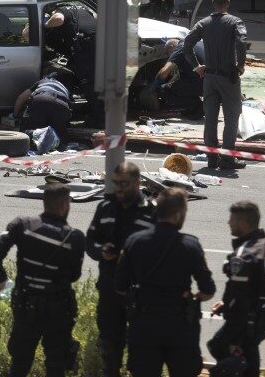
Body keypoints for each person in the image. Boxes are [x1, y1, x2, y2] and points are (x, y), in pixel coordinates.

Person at [0, 182, 86, 377]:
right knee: (56, 365)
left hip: (26, 307)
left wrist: (2, 281)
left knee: (20, 364)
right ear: (65, 205)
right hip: (58, 310)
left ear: (44, 203)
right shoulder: (74, 237)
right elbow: (74, 276)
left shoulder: (22, 224)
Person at [115, 187, 216, 377]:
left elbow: (120, 287)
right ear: (178, 213)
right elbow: (208, 290)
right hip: (179, 325)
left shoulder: (134, 242)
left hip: (144, 324)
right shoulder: (190, 245)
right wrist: (193, 298)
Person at [86, 162, 156, 377]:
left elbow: (160, 247)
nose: (119, 188)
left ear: (137, 183)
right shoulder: (105, 208)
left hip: (138, 290)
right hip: (109, 287)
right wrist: (101, 251)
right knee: (109, 347)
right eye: (115, 183)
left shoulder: (151, 211)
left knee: (141, 350)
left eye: (124, 183)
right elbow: (90, 241)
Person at [208, 201, 265, 377]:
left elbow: (240, 300)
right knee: (248, 353)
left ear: (242, 224)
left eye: (231, 219)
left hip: (247, 322)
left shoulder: (244, 255)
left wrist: (234, 340)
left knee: (220, 347)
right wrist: (226, 302)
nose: (228, 223)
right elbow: (260, 285)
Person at [184, 0, 248, 170]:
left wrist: (197, 66)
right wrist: (240, 65)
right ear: (228, 2)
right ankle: (227, 159)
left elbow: (187, 45)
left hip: (209, 77)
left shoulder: (203, 23)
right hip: (229, 77)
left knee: (210, 118)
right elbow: (241, 42)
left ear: (213, 3)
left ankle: (212, 158)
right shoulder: (235, 22)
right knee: (231, 118)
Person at [44, 3, 103, 128]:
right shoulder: (82, 8)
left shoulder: (60, 10)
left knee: (88, 81)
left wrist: (44, 25)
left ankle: (100, 120)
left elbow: (58, 19)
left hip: (87, 46)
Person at [154, 38, 205, 119]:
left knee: (163, 89)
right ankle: (200, 106)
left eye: (168, 53)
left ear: (171, 47)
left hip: (203, 84)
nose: (169, 56)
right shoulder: (198, 42)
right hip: (220, 84)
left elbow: (165, 71)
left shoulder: (181, 48)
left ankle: (199, 108)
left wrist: (155, 85)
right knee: (182, 84)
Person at [14, 76, 71, 147]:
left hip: (42, 99)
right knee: (60, 138)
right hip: (61, 105)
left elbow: (21, 98)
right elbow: (68, 113)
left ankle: (32, 139)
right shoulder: (65, 88)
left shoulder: (43, 81)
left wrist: (15, 116)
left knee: (25, 136)